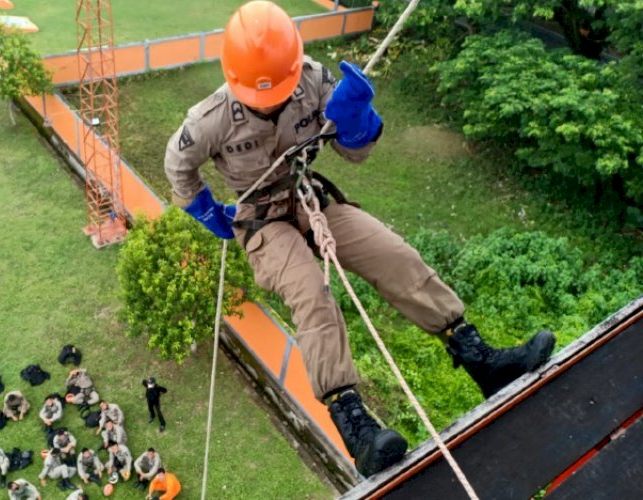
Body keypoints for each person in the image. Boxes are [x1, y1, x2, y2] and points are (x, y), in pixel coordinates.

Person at [163, 0, 556, 477]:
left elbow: (356, 154)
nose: (268, 101)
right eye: (257, 96)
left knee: (395, 255)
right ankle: (355, 426)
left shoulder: (313, 82)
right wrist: (206, 210)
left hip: (311, 199)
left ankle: (480, 359)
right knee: (312, 292)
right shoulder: (210, 119)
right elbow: (177, 165)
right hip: (263, 219)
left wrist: (358, 122)